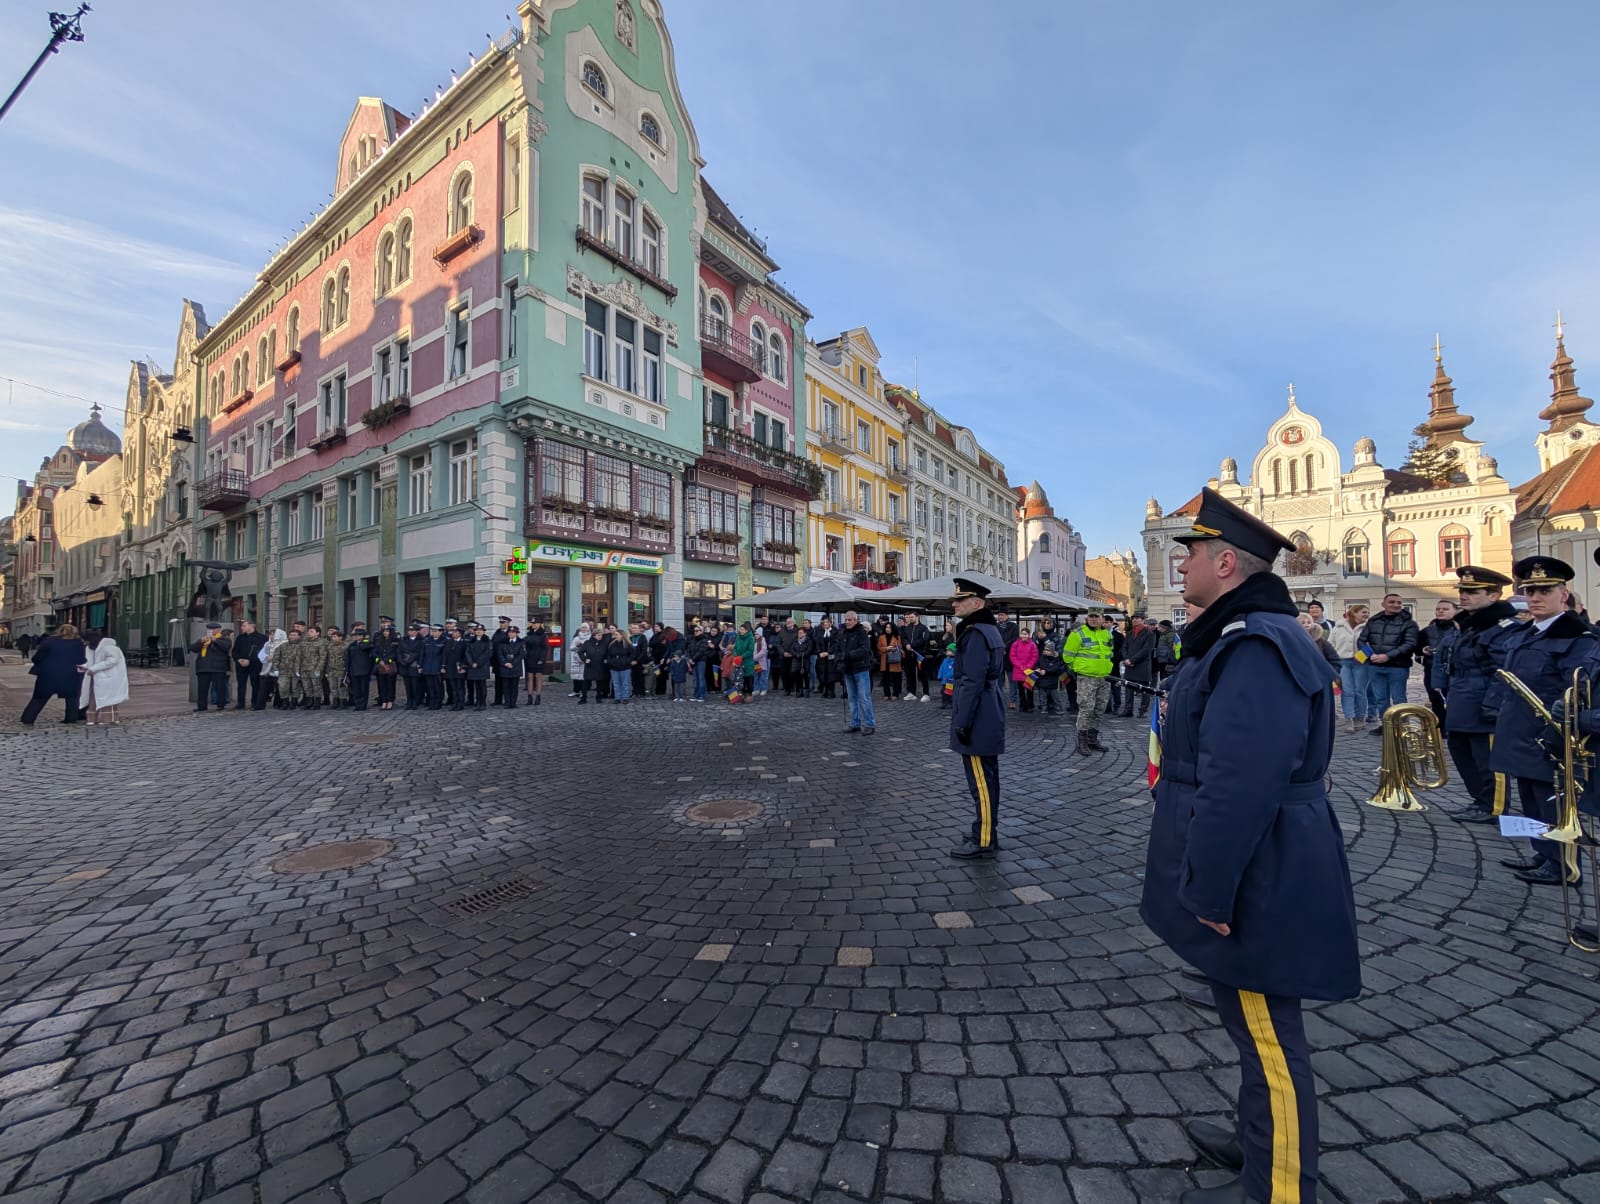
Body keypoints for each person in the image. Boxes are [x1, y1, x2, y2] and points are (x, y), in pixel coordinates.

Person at [1140, 488, 1359, 1204]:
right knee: (1250, 1023)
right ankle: (1258, 1137)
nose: (1181, 566)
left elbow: (1239, 785)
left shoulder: (1256, 644)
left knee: (1268, 1033)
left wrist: (1208, 889)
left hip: (1256, 872)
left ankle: (1279, 1188)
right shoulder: (1247, 634)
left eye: (1192, 554)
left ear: (1227, 563)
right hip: (1257, 862)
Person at [1491, 557, 1598, 887]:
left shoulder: (1578, 637)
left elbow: (1578, 690)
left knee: (1552, 800)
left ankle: (1564, 864)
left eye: (1545, 591)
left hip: (1549, 734)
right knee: (1531, 798)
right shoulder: (1526, 632)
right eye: (1530, 591)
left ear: (1563, 595)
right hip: (1520, 730)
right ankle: (1543, 852)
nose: (1535, 597)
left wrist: (1558, 728)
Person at [1439, 566, 1520, 827]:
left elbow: (1504, 671)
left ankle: (1494, 806)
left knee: (1488, 760)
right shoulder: (1470, 624)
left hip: (1484, 705)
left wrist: (1493, 706)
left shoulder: (1502, 627)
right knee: (1463, 754)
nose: (1464, 596)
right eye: (1463, 590)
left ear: (1494, 595)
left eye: (1473, 592)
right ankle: (1480, 801)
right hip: (1462, 701)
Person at [947, 578, 1007, 859]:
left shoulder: (975, 634)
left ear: (977, 603)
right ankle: (986, 831)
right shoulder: (988, 630)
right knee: (988, 778)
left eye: (960, 600)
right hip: (988, 707)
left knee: (981, 782)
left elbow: (972, 681)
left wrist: (962, 721)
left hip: (978, 712)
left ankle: (983, 839)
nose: (954, 603)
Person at [1364, 592, 1420, 731]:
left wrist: (1388, 656)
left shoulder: (1409, 623)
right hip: (1375, 666)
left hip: (1398, 667)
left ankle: (1403, 726)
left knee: (1399, 698)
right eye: (1392, 602)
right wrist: (1370, 655)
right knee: (1380, 699)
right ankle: (1386, 726)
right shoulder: (1373, 621)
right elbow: (1361, 641)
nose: (1396, 605)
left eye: (1399, 603)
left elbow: (1410, 644)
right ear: (1383, 604)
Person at [1065, 610, 1115, 755]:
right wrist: (1078, 669)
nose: (1093, 619)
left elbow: (1109, 653)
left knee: (1099, 709)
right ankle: (1082, 742)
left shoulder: (1106, 633)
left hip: (1104, 678)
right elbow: (1067, 656)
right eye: (1090, 617)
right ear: (1087, 618)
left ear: (1102, 619)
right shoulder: (1078, 633)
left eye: (1096, 617)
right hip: (1086, 677)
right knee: (1086, 708)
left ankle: (1092, 739)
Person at [21, 625, 86, 726]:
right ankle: (71, 718)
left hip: (48, 674)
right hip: (70, 674)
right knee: (72, 697)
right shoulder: (78, 643)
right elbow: (81, 659)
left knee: (39, 697)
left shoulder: (49, 642)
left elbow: (37, 658)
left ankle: (28, 718)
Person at [1326, 605, 1371, 732]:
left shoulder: (1369, 627)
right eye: (1363, 612)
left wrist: (1363, 655)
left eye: (1367, 613)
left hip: (1362, 663)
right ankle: (1349, 718)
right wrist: (1332, 661)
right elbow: (1330, 645)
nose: (1366, 615)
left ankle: (1360, 717)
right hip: (1343, 662)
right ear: (1354, 612)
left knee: (1360, 691)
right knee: (1347, 691)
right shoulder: (1338, 627)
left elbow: (1373, 644)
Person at [78, 629, 128, 725]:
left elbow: (112, 661)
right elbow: (92, 662)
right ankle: (93, 718)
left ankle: (108, 718)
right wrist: (85, 667)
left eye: (85, 640)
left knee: (108, 698)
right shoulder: (90, 648)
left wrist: (94, 668)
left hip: (109, 676)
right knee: (94, 697)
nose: (84, 643)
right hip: (96, 677)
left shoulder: (109, 647)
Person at [837, 610, 876, 734]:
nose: (847, 622)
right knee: (852, 698)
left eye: (849, 620)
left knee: (864, 698)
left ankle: (870, 724)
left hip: (861, 669)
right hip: (848, 669)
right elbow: (837, 648)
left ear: (855, 620)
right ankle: (855, 723)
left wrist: (848, 655)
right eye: (846, 620)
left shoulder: (862, 633)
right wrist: (839, 660)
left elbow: (864, 650)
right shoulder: (842, 633)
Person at [1419, 599, 1458, 724]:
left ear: (1455, 611)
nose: (1440, 611)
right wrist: (1423, 650)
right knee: (1436, 701)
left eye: (1445, 609)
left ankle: (1453, 725)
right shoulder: (1427, 630)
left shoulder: (1459, 630)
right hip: (1431, 669)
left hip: (1453, 671)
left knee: (1453, 701)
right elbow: (1417, 649)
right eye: (1438, 609)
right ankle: (1440, 727)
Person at [1121, 614, 1158, 718]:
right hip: (1129, 664)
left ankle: (1143, 710)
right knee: (1128, 687)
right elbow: (1124, 647)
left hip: (1142, 665)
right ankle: (1128, 710)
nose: (1134, 620)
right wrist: (1126, 659)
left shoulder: (1150, 634)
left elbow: (1146, 650)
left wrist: (1132, 660)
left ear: (1143, 620)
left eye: (1137, 618)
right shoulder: (1129, 633)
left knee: (1144, 688)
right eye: (1133, 618)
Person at [191, 622, 232, 712]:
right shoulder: (204, 639)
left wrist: (215, 640)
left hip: (218, 667)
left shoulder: (223, 639)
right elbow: (193, 648)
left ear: (218, 630)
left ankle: (221, 705)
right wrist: (201, 641)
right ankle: (202, 706)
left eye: (213, 629)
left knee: (220, 687)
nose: (211, 631)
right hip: (203, 667)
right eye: (209, 629)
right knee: (202, 688)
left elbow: (226, 647)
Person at [232, 620, 266, 711]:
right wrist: (238, 659)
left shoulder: (262, 638)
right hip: (241, 664)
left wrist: (250, 660)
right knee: (241, 684)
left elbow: (261, 652)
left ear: (251, 626)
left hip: (255, 665)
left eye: (244, 626)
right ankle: (240, 703)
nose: (241, 628)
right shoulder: (240, 638)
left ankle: (255, 702)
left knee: (255, 684)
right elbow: (234, 651)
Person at [1035, 623, 1066, 715]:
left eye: (1048, 650)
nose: (1046, 652)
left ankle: (1058, 708)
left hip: (1052, 681)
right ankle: (1044, 708)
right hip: (1042, 680)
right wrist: (1037, 669)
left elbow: (1055, 668)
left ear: (1052, 651)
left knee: (1055, 696)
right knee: (1043, 697)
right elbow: (1036, 664)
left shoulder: (1055, 659)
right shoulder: (1041, 658)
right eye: (1045, 650)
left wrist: (1046, 671)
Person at [1007, 625, 1037, 713]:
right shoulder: (1015, 644)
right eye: (1022, 634)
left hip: (1029, 671)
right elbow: (1012, 656)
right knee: (1021, 690)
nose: (1023, 635)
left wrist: (1028, 666)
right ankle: (1022, 705)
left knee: (1029, 689)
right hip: (1019, 670)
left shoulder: (1032, 645)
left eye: (1025, 634)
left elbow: (1034, 656)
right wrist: (1020, 666)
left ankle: (1030, 706)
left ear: (1029, 635)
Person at [372, 618, 400, 710]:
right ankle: (384, 701)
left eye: (387, 631)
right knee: (382, 684)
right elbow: (375, 652)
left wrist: (388, 660)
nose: (385, 633)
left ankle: (390, 701)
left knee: (390, 684)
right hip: (380, 665)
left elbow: (396, 653)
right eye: (384, 631)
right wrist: (379, 660)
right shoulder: (379, 641)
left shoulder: (395, 641)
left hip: (390, 665)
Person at [463, 622, 493, 709]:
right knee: (476, 685)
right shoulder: (472, 641)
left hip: (482, 666)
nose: (478, 632)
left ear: (484, 631)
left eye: (480, 630)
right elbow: (467, 652)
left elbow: (488, 654)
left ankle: (483, 702)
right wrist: (471, 662)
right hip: (473, 666)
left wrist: (478, 663)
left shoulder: (487, 641)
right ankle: (478, 701)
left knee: (482, 685)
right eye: (477, 630)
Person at [346, 623, 375, 712]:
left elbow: (366, 647)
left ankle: (363, 704)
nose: (356, 637)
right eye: (355, 635)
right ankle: (357, 704)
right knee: (356, 689)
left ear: (362, 636)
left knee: (364, 689)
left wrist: (363, 641)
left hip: (364, 670)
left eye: (358, 635)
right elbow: (348, 658)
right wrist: (347, 669)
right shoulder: (352, 645)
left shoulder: (367, 643)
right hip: (354, 670)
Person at [258, 626, 288, 710]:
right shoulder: (267, 644)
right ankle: (260, 704)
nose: (271, 636)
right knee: (263, 688)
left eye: (273, 634)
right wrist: (266, 657)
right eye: (270, 635)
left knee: (279, 688)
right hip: (266, 669)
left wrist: (274, 657)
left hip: (279, 669)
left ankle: (278, 704)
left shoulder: (284, 644)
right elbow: (261, 654)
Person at [272, 628, 303, 709]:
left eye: (294, 635)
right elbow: (276, 657)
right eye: (291, 635)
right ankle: (285, 702)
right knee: (283, 687)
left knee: (295, 687)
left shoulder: (302, 646)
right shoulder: (283, 646)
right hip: (284, 670)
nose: (292, 637)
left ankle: (294, 702)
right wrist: (275, 668)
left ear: (299, 636)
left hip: (296, 671)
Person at [496, 625, 526, 707]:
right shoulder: (503, 642)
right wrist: (505, 663)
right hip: (505, 667)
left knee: (514, 686)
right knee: (505, 686)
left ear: (517, 633)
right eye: (510, 632)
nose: (511, 634)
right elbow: (499, 654)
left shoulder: (521, 642)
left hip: (515, 667)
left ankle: (513, 702)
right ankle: (507, 702)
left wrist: (513, 663)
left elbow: (522, 654)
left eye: (513, 632)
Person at [300, 626, 327, 711]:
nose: (309, 633)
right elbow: (300, 655)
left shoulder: (320, 642)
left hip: (314, 668)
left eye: (312, 631)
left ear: (317, 633)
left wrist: (319, 668)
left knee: (316, 686)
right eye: (308, 631)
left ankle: (317, 702)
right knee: (307, 686)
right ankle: (309, 702)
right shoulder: (304, 642)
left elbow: (322, 657)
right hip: (304, 668)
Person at [604, 625, 634, 702]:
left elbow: (632, 655)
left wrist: (626, 661)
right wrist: (611, 662)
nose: (615, 636)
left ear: (622, 635)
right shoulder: (612, 644)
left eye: (617, 635)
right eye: (615, 635)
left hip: (625, 667)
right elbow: (608, 655)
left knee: (625, 683)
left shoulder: (628, 644)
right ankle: (617, 697)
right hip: (614, 667)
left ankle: (625, 697)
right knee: (616, 683)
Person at [399, 622, 425, 710]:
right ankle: (409, 701)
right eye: (409, 630)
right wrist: (402, 661)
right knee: (407, 686)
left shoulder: (420, 641)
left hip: (414, 665)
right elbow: (399, 652)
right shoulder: (403, 640)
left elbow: (419, 653)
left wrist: (411, 661)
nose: (410, 632)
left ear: (416, 631)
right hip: (405, 666)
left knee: (415, 686)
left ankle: (415, 702)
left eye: (412, 630)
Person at [524, 619, 550, 706]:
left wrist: (542, 658)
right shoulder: (529, 634)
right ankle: (529, 696)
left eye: (536, 623)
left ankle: (538, 696)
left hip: (538, 657)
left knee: (538, 677)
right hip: (529, 657)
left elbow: (545, 648)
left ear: (540, 624)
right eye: (533, 623)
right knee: (529, 677)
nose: (534, 625)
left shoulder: (543, 635)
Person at [491, 616, 513, 706]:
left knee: (507, 682)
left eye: (503, 622)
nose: (501, 624)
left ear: (508, 623)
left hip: (506, 660)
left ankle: (508, 700)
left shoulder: (510, 632)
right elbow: (493, 645)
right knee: (498, 682)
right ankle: (498, 699)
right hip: (497, 660)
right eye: (500, 623)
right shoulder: (497, 632)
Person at [878, 624, 904, 701]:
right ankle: (886, 694)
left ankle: (895, 694)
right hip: (885, 659)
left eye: (889, 627)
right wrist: (886, 648)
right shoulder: (881, 637)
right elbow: (879, 648)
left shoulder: (897, 637)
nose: (887, 629)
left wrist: (893, 648)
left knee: (896, 678)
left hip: (894, 659)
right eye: (886, 627)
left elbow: (899, 646)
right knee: (885, 678)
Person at [815, 617, 839, 699]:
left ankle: (831, 692)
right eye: (824, 622)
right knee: (822, 674)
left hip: (831, 657)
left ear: (830, 623)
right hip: (822, 657)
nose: (825, 624)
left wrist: (828, 652)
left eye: (827, 622)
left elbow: (836, 644)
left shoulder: (835, 632)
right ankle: (825, 691)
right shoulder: (820, 632)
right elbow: (817, 643)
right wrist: (819, 652)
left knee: (831, 675)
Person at [325, 628, 350, 708]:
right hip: (331, 669)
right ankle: (335, 701)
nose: (333, 639)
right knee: (333, 686)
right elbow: (327, 658)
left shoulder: (345, 646)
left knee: (341, 686)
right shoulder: (329, 646)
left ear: (340, 637)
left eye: (335, 637)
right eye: (332, 637)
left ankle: (343, 701)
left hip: (341, 669)